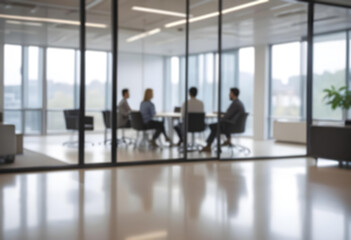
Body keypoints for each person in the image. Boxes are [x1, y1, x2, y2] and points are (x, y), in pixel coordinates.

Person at [202, 87, 245, 152]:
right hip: (236, 125)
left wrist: (221, 118)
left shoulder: (235, 104)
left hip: (232, 126)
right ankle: (227, 140)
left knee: (214, 126)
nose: (229, 95)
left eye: (230, 93)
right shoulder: (238, 103)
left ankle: (209, 146)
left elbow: (227, 116)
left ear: (233, 94)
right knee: (216, 126)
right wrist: (221, 114)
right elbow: (230, 113)